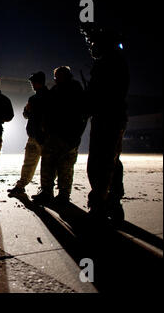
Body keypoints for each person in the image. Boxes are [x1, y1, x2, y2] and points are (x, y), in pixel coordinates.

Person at [82, 25, 129, 221]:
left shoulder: (108, 64)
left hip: (106, 117)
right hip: (112, 117)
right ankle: (112, 202)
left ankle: (101, 204)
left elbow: (100, 94)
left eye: (94, 44)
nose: (92, 48)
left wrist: (87, 104)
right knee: (111, 161)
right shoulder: (115, 62)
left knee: (100, 163)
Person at [32, 66, 87, 205]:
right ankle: (46, 192)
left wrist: (76, 136)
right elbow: (47, 111)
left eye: (58, 76)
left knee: (65, 167)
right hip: (52, 136)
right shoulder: (55, 91)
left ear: (66, 76)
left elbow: (83, 115)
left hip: (68, 136)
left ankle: (63, 195)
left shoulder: (75, 90)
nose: (56, 79)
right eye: (56, 76)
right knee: (47, 165)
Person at [8, 71, 49, 197]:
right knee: (28, 163)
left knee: (47, 166)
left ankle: (46, 190)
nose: (32, 84)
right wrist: (26, 110)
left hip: (44, 137)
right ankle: (21, 186)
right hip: (32, 136)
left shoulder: (49, 97)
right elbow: (26, 115)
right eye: (32, 82)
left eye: (33, 82)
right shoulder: (33, 98)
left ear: (40, 82)